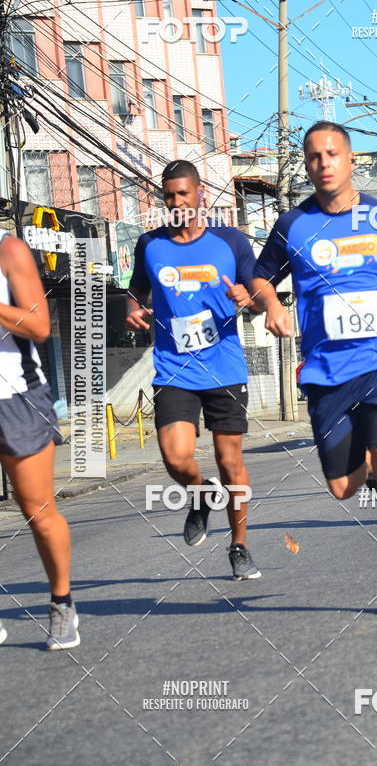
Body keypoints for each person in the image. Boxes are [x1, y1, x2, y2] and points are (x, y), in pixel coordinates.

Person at [252, 122, 377, 615]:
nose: (324, 163)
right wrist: (271, 304)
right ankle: (369, 469)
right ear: (307, 164)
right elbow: (258, 276)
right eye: (314, 156)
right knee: (342, 488)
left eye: (333, 154)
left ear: (351, 160)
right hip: (326, 372)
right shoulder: (293, 225)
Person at [127, 160, 261, 580]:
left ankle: (239, 545)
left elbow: (258, 295)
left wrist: (248, 299)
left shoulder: (230, 241)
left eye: (183, 193)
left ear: (200, 194)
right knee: (174, 457)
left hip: (224, 368)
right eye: (169, 196)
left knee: (229, 462)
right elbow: (136, 289)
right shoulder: (150, 244)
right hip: (174, 368)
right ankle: (202, 495)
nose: (177, 202)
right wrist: (133, 307)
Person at [0, 230, 78, 649]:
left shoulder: (8, 249)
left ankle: (62, 602)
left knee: (38, 511)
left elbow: (39, 325)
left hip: (17, 398)